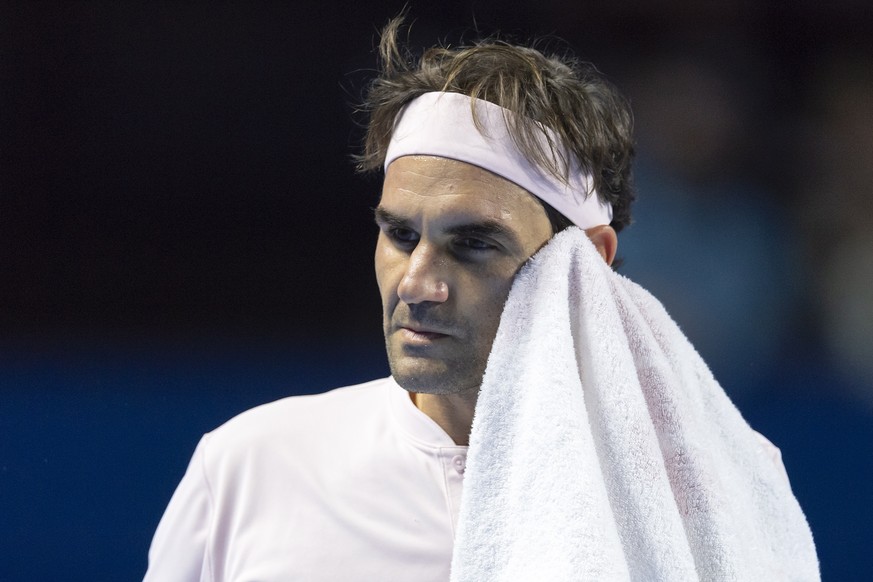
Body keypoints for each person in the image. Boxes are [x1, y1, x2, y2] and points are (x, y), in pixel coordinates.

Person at [144, 17, 816, 582]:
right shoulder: (250, 463)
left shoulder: (716, 486)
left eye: (472, 244)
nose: (416, 283)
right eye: (399, 235)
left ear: (589, 258)